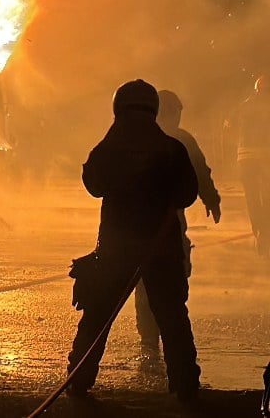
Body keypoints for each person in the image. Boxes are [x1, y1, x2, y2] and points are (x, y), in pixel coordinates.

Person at [67, 79, 201, 400]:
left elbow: (93, 184)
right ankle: (184, 384)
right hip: (162, 248)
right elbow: (187, 194)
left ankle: (79, 379)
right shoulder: (172, 148)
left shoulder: (109, 147)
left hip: (116, 248)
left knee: (98, 314)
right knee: (171, 316)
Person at [133, 90, 221, 353]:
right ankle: (165, 339)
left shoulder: (135, 138)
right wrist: (211, 199)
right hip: (167, 224)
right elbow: (200, 171)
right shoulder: (181, 140)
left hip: (137, 225)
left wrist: (210, 197)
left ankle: (149, 337)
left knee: (144, 282)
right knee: (171, 279)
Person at [238, 75, 270, 255]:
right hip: (265, 156)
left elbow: (230, 125)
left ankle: (259, 231)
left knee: (252, 196)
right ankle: (266, 231)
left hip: (245, 158)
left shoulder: (244, 105)